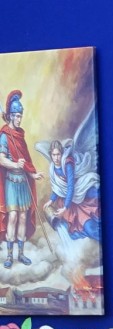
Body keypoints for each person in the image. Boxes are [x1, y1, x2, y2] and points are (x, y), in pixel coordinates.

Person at [0, 91, 44, 268]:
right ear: (10, 116)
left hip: (23, 182)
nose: (19, 119)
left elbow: (26, 163)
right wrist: (14, 164)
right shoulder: (5, 136)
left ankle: (21, 254)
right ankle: (9, 256)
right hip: (11, 182)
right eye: (17, 116)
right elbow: (1, 159)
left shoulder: (19, 136)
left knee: (23, 217)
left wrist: (33, 174)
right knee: (12, 216)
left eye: (20, 116)